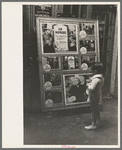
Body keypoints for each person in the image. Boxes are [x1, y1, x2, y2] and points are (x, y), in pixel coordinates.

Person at [85, 63, 104, 130]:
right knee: (96, 109)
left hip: (93, 96)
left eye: (92, 71)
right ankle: (98, 122)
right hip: (98, 95)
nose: (91, 72)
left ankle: (93, 124)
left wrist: (88, 85)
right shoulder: (101, 78)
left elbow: (92, 88)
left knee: (93, 110)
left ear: (95, 71)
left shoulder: (95, 79)